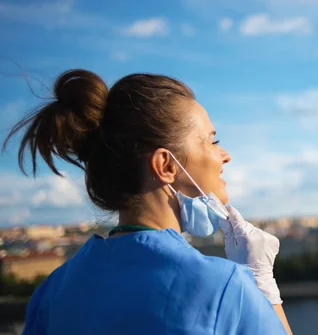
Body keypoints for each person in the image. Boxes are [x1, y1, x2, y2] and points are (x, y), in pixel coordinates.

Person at [4, 69, 293, 334]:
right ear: (166, 166)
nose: (225, 155)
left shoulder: (52, 292)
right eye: (211, 141)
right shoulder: (225, 288)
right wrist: (263, 285)